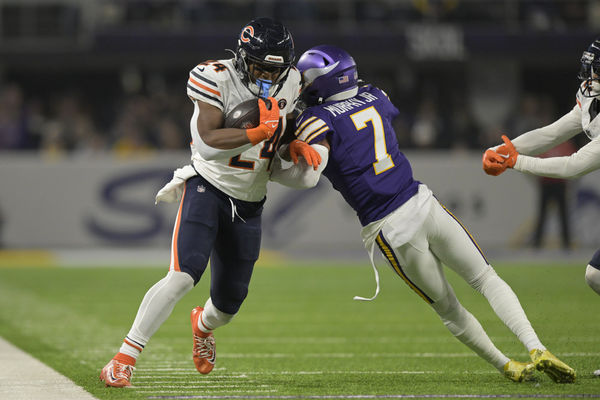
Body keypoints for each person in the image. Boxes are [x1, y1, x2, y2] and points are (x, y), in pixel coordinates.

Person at [270, 44, 576, 383]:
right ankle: (537, 347)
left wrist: (273, 165)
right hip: (424, 203)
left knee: (448, 309)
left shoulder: (317, 120)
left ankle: (507, 365)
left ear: (319, 83)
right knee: (486, 279)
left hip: (391, 227)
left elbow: (310, 176)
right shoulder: (375, 95)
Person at [99, 17, 320, 387]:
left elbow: (282, 124)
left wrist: (288, 141)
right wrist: (257, 131)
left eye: (275, 70)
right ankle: (124, 358)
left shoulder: (293, 82)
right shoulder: (216, 77)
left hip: (251, 200)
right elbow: (206, 142)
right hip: (208, 186)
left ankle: (202, 326)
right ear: (241, 58)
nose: (267, 76)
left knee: (229, 303)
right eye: (260, 67)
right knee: (183, 275)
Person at [482, 37, 600, 299]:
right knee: (596, 275)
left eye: (598, 70)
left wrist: (515, 162)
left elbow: (574, 166)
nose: (591, 76)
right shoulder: (591, 96)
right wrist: (506, 150)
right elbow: (555, 132)